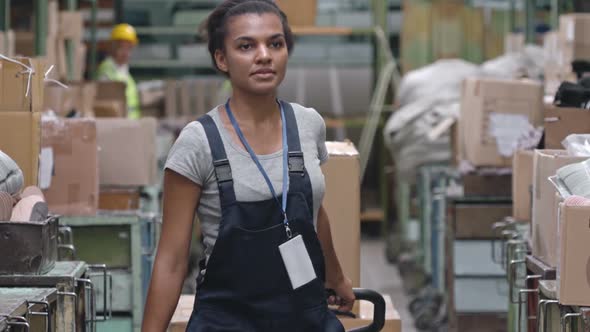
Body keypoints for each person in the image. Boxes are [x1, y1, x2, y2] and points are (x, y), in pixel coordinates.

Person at [142, 1, 355, 331]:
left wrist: (337, 277)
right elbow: (171, 259)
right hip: (228, 322)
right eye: (246, 46)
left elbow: (314, 211)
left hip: (304, 318)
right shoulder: (198, 142)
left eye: (275, 43)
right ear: (221, 59)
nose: (264, 55)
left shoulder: (308, 124)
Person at [96, 23, 141, 119]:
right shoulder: (106, 71)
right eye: (122, 47)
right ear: (113, 46)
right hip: (118, 127)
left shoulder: (125, 72)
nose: (126, 52)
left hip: (131, 126)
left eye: (129, 48)